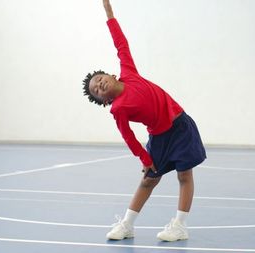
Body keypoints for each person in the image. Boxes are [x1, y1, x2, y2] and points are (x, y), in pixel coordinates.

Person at [82, 0, 206, 242]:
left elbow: (120, 42)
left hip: (180, 125)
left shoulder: (129, 71)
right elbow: (128, 137)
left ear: (110, 74)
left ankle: (179, 225)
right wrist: (146, 158)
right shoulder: (118, 109)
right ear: (105, 100)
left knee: (184, 176)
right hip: (159, 137)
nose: (99, 84)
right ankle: (127, 225)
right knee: (149, 180)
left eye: (98, 79)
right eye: (96, 90)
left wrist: (109, 13)